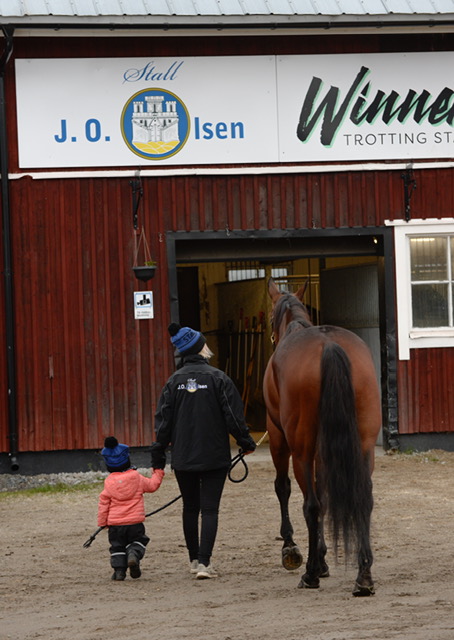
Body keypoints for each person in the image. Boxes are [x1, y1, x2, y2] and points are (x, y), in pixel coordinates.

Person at [150, 323, 256, 580]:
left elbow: (163, 423)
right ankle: (205, 564)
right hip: (214, 456)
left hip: (184, 457)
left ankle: (193, 559)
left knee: (190, 508)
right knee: (210, 509)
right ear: (199, 348)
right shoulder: (220, 379)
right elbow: (233, 416)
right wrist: (246, 442)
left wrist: (159, 454)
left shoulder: (173, 382)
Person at [98, 436, 165, 581]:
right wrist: (158, 471)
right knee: (138, 541)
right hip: (134, 523)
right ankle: (133, 553)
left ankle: (119, 572)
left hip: (115, 525)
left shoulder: (108, 483)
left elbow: (103, 504)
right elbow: (153, 485)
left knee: (117, 547)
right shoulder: (137, 477)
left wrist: (103, 522)